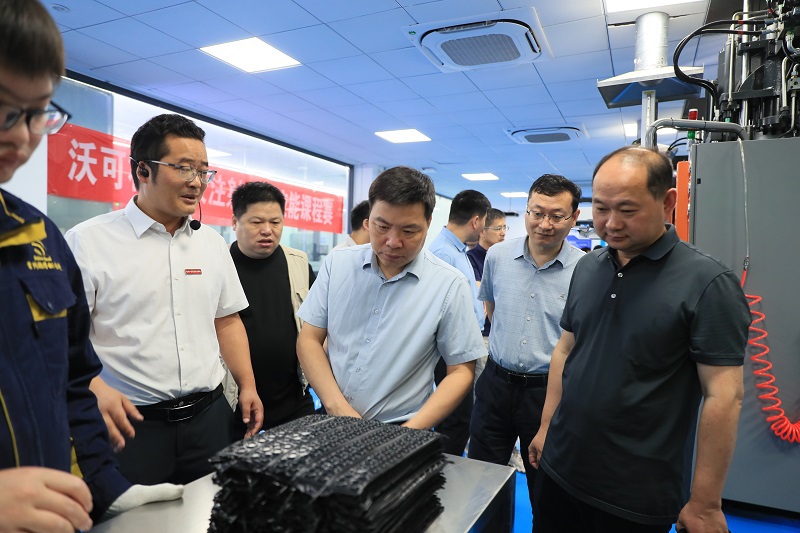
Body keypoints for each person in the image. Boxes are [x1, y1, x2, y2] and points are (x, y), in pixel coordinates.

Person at [0, 0, 182, 529]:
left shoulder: (38, 238)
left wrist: (106, 490)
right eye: (5, 109)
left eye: (37, 113)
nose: (22, 136)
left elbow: (74, 383)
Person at [529, 146, 751, 533]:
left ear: (667, 203)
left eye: (627, 210)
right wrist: (547, 426)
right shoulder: (588, 267)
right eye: (601, 208)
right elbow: (566, 349)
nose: (611, 223)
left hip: (635, 493)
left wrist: (705, 502)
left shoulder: (708, 283)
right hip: (560, 468)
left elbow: (724, 395)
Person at [65, 113, 263, 486]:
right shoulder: (88, 242)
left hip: (210, 420)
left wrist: (247, 384)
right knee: (129, 516)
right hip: (130, 426)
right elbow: (63, 337)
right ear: (143, 170)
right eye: (184, 168)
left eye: (203, 171)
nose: (197, 182)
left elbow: (227, 320)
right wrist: (94, 389)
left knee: (213, 511)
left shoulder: (212, 243)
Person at [296, 166, 485, 429]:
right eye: (382, 226)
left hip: (401, 426)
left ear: (429, 223)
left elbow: (461, 370)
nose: (393, 241)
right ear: (368, 219)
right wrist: (336, 406)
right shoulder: (338, 263)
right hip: (332, 414)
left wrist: (410, 432)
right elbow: (309, 338)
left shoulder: (449, 284)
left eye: (409, 231)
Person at [468, 174, 584, 512]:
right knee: (482, 483)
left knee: (546, 492)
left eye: (556, 216)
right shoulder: (498, 256)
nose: (544, 224)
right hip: (495, 385)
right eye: (537, 213)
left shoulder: (585, 269)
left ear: (574, 217)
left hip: (548, 393)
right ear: (527, 210)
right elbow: (491, 308)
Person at [229, 181, 316, 431]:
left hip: (294, 400)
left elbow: (318, 325)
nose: (267, 230)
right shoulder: (219, 265)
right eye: (257, 222)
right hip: (234, 402)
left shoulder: (299, 264)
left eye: (275, 222)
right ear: (235, 222)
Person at [427, 189, 490, 455]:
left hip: (461, 346)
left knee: (459, 419)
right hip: (450, 350)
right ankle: (442, 472)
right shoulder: (444, 253)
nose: (484, 229)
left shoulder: (457, 250)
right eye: (485, 222)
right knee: (455, 421)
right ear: (476, 221)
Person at [466, 207, 507, 374]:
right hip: (484, 334)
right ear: (482, 231)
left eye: (504, 227)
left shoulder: (504, 257)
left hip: (501, 333)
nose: (503, 233)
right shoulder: (471, 258)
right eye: (498, 228)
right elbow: (481, 297)